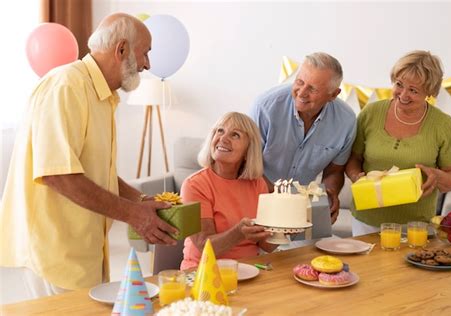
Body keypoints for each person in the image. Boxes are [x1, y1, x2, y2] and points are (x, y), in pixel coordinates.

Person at [0, 13, 178, 298]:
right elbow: (58, 175)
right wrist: (134, 215)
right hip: (55, 251)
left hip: (85, 249)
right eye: (145, 52)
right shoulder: (66, 85)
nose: (148, 64)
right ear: (121, 49)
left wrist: (142, 201)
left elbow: (97, 174)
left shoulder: (103, 96)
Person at [345, 50, 451, 236]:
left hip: (416, 225)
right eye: (399, 84)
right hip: (366, 220)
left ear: (429, 92)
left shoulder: (443, 124)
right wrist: (356, 176)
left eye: (413, 90)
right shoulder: (370, 113)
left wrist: (436, 176)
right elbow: (353, 158)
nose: (403, 94)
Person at [250, 52, 356, 224]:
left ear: (333, 94)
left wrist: (330, 193)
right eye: (299, 82)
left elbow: (334, 171)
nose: (302, 93)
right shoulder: (265, 107)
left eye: (313, 89)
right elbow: (246, 164)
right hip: (257, 198)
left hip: (303, 209)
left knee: (315, 251)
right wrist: (284, 198)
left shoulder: (346, 121)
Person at [180, 112, 278, 270]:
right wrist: (239, 232)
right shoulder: (194, 185)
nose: (223, 139)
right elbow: (204, 246)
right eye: (220, 131)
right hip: (204, 272)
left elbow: (267, 245)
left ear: (248, 151)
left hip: (250, 269)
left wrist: (290, 225)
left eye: (235, 135)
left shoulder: (258, 184)